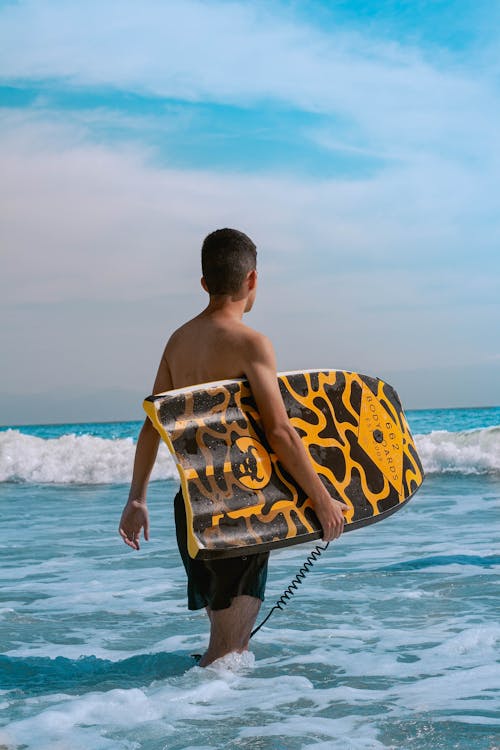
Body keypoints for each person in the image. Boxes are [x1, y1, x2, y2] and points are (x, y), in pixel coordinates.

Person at [118, 228, 347, 666]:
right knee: (229, 652)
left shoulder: (178, 341)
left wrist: (136, 499)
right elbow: (280, 431)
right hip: (240, 509)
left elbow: (152, 426)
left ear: (204, 283)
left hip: (192, 508)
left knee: (221, 646)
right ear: (253, 280)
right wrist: (321, 499)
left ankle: (189, 721)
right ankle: (195, 723)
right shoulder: (252, 343)